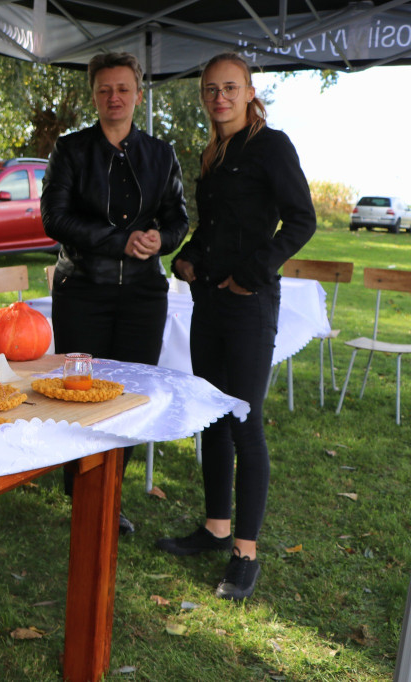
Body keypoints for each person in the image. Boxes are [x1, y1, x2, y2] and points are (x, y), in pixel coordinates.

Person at [155, 53, 316, 600]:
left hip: (250, 304)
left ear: (249, 91)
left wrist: (250, 274)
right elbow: (215, 226)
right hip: (210, 303)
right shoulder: (214, 153)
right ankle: (216, 528)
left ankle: (245, 553)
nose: (219, 97)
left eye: (230, 87)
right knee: (214, 417)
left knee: (245, 422)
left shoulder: (272, 144)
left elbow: (302, 220)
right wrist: (188, 256)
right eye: (210, 89)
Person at [40, 52, 189, 535]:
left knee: (127, 396)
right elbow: (55, 219)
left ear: (138, 95)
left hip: (144, 295)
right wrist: (117, 239)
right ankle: (78, 483)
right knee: (80, 393)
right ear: (94, 95)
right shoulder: (70, 150)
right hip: (82, 289)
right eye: (105, 89)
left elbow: (178, 219)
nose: (114, 97)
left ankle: (109, 495)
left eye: (123, 89)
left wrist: (160, 241)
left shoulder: (161, 154)